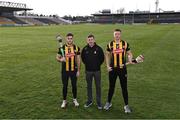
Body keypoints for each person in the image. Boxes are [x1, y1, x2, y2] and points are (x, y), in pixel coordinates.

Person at [104, 29, 133, 113]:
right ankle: (108, 103)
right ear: (114, 35)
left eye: (118, 34)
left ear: (120, 35)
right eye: (116, 34)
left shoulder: (125, 44)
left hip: (122, 69)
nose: (117, 35)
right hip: (112, 69)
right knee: (111, 87)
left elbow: (129, 53)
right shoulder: (110, 44)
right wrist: (108, 66)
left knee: (124, 87)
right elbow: (107, 55)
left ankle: (126, 106)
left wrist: (130, 58)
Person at [56, 33, 81, 108]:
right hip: (65, 71)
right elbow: (57, 57)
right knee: (65, 86)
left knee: (74, 85)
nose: (70, 40)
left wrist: (78, 70)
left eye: (71, 38)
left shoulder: (76, 48)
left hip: (73, 70)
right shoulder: (62, 48)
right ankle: (64, 101)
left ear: (73, 39)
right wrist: (61, 59)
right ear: (66, 39)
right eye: (68, 38)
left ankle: (75, 99)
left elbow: (78, 59)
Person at [81, 34, 104, 109]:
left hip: (97, 71)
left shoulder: (99, 49)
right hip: (88, 71)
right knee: (89, 86)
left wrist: (97, 65)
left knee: (98, 87)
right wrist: (88, 65)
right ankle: (89, 101)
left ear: (94, 40)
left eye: (91, 39)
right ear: (87, 41)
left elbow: (102, 59)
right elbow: (83, 59)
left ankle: (99, 102)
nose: (90, 41)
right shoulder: (84, 49)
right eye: (89, 40)